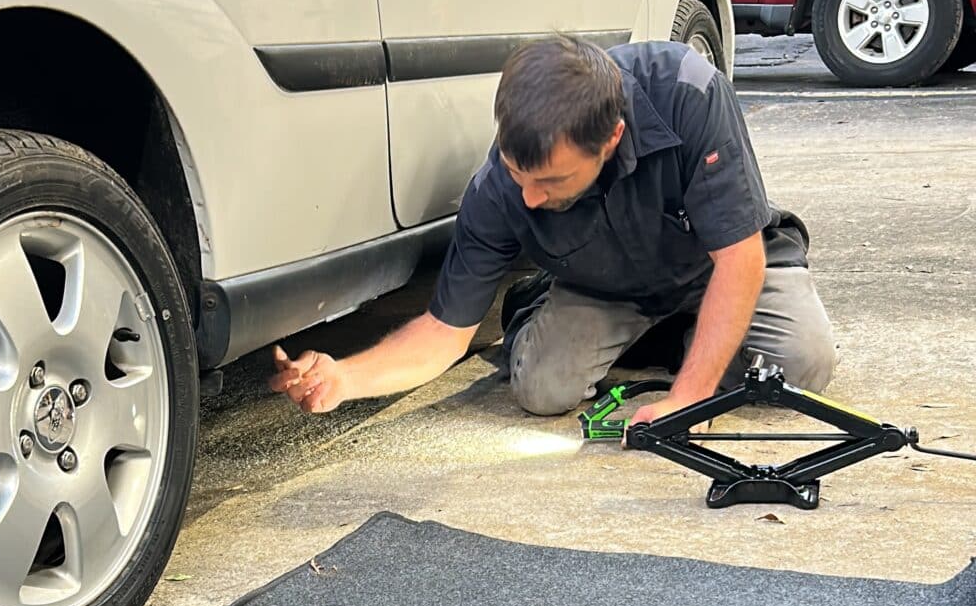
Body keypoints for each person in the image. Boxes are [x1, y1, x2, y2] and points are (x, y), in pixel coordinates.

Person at [270, 36, 836, 438]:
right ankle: (554, 313)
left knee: (803, 364)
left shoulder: (688, 92)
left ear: (612, 137)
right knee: (542, 390)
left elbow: (739, 262)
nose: (530, 199)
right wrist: (345, 376)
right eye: (520, 174)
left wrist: (689, 397)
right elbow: (445, 333)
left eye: (552, 181)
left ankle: (694, 345)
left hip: (721, 264)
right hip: (609, 287)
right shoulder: (498, 189)